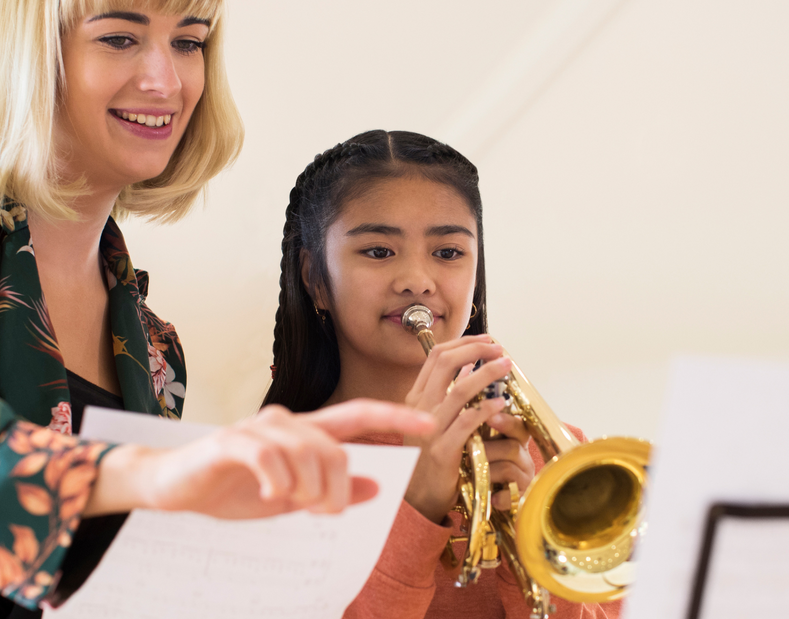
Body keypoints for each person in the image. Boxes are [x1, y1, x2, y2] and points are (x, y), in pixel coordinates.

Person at [0, 3, 433, 617]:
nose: (166, 80)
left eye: (189, 41)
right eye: (119, 39)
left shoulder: (157, 350)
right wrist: (147, 472)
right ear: (37, 57)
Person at [262, 129, 623, 618]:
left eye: (448, 253)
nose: (418, 281)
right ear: (314, 279)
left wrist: (536, 542)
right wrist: (416, 509)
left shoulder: (556, 455)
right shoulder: (273, 474)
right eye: (378, 251)